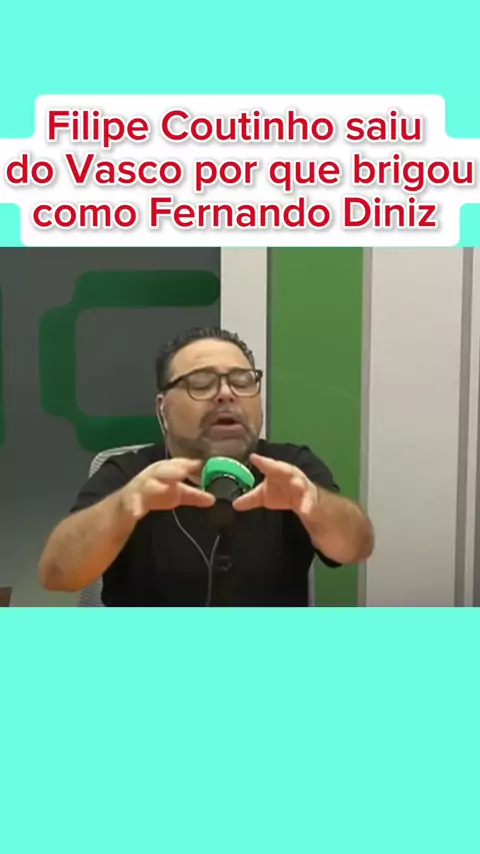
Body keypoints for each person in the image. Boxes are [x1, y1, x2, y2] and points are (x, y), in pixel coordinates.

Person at [38, 327, 374, 606]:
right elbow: (58, 575)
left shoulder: (289, 468)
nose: (226, 394)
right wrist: (123, 508)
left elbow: (356, 547)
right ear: (162, 408)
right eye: (201, 382)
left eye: (242, 380)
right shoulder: (128, 475)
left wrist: (315, 505)